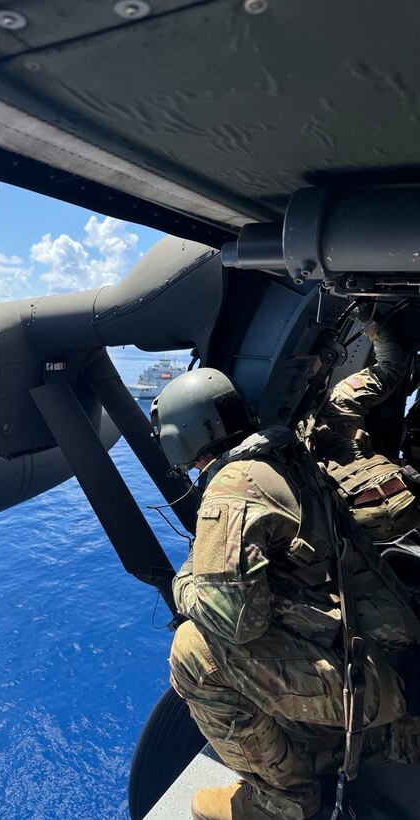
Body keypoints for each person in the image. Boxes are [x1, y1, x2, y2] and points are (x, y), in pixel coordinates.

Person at [151, 367, 420, 820]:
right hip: (395, 658)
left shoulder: (232, 488)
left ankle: (282, 802)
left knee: (194, 654)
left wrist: (183, 584)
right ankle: (359, 740)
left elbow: (234, 620)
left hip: (373, 683)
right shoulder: (282, 453)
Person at [313, 306, 420, 543]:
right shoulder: (340, 402)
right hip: (400, 497)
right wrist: (370, 319)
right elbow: (391, 368)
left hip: (354, 525)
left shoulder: (284, 435)